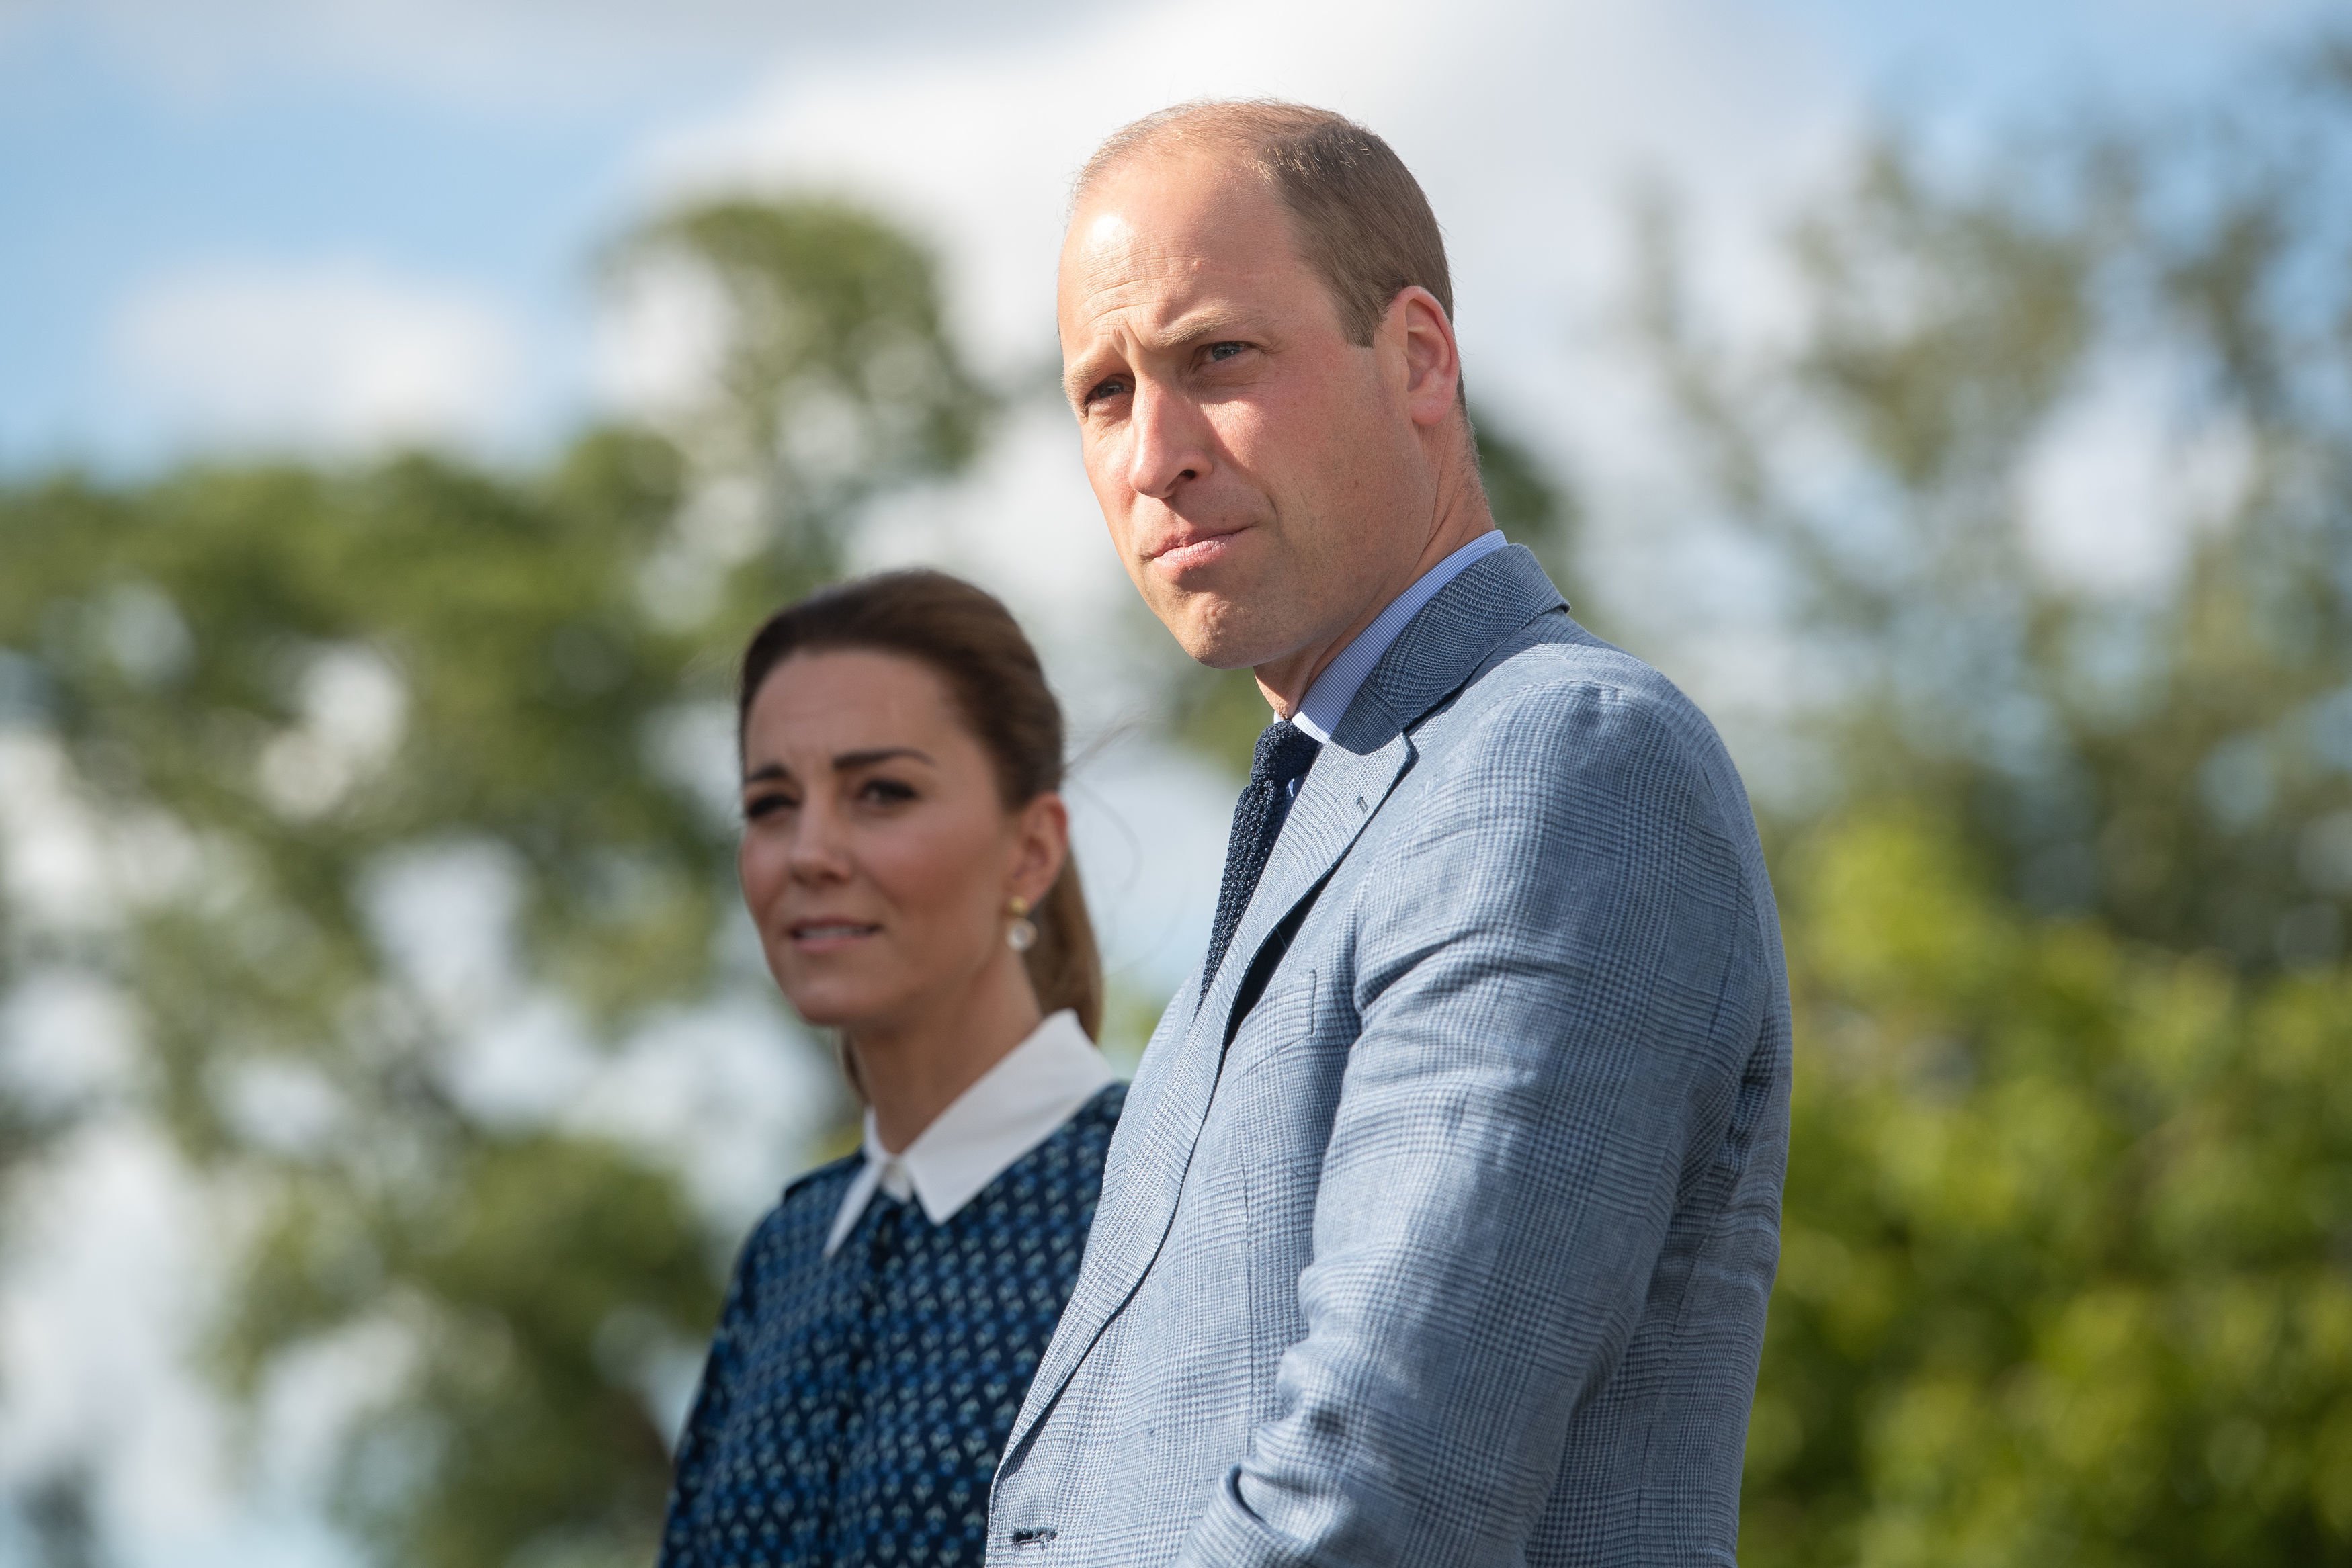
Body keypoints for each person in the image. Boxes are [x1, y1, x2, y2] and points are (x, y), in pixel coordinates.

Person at [984, 103, 1792, 1566]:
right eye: (1102, 393)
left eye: (1216, 357)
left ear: (1418, 358)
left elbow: (1381, 1494)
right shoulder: (1324, 812)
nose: (1152, 451)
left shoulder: (1557, 762)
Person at [659, 570, 1124, 1567]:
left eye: (882, 793)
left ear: (1031, 850)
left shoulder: (1158, 1196)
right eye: (771, 803)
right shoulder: (785, 1255)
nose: (809, 852)